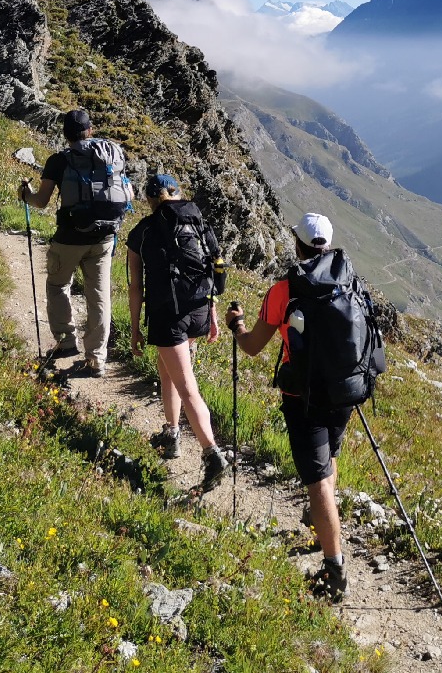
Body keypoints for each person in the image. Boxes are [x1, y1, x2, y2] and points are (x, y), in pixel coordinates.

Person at [226, 212, 352, 602]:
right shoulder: (348, 280)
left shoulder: (284, 291)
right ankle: (320, 527)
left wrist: (237, 326)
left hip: (303, 397)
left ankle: (334, 569)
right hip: (344, 391)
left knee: (317, 481)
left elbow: (252, 347)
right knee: (328, 459)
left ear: (297, 244)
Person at [127, 172, 229, 492]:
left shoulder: (142, 231)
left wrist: (134, 328)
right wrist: (212, 312)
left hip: (167, 316)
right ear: (176, 193)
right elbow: (213, 266)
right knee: (167, 369)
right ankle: (171, 434)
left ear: (149, 199)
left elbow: (135, 287)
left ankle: (212, 455)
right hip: (197, 310)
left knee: (187, 386)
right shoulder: (197, 221)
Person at [18, 109, 133, 378]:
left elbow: (41, 201)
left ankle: (66, 342)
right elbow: (126, 191)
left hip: (69, 237)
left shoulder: (59, 160)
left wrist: (25, 194)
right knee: (99, 296)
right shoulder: (111, 155)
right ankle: (97, 358)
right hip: (104, 238)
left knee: (58, 285)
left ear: (65, 134)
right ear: (89, 131)